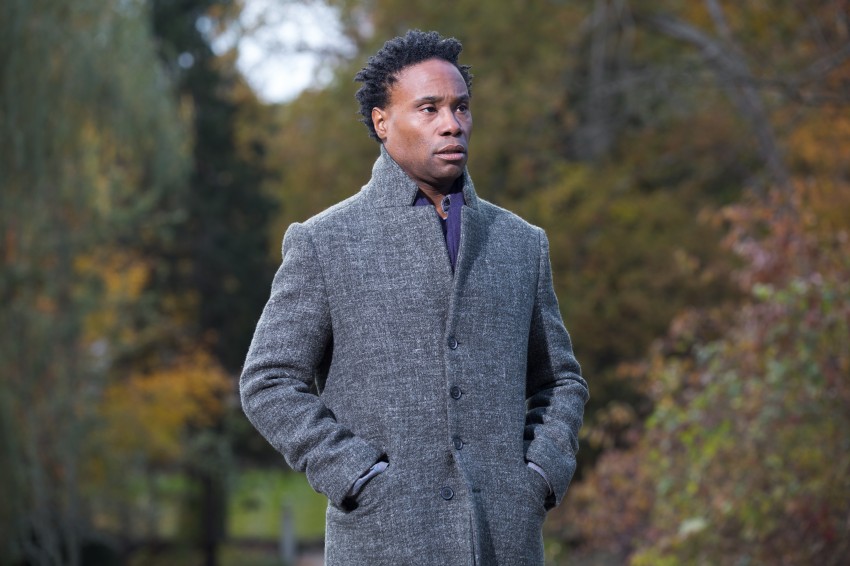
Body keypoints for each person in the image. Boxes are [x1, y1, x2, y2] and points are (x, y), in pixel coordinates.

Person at [240, 29, 588, 566]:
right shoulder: (325, 241)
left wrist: (540, 473)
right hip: (382, 542)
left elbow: (561, 381)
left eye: (461, 107)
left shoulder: (521, 243)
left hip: (505, 543)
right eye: (429, 108)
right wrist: (354, 475)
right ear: (382, 122)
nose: (452, 123)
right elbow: (268, 381)